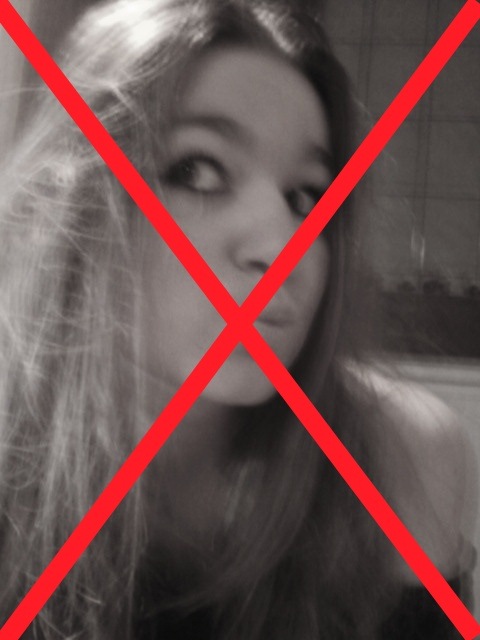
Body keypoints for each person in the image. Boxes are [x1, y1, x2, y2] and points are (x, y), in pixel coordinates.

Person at [0, 0, 476, 638]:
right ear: (78, 200)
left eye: (305, 197)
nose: (283, 244)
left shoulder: (396, 463)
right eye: (197, 170)